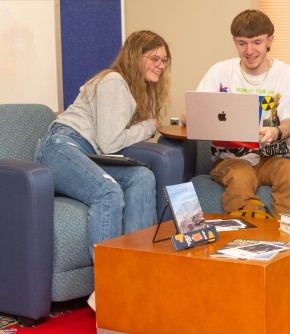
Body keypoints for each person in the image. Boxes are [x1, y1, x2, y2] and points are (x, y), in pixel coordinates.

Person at [34, 30, 172, 310]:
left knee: (143, 177)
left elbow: (106, 143)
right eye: (154, 58)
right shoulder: (114, 81)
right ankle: (110, 285)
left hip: (88, 153)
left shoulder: (133, 89)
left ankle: (139, 276)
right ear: (136, 56)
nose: (160, 64)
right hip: (61, 146)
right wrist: (150, 126)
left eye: (165, 60)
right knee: (108, 192)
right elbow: (110, 143)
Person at [181, 9, 290, 216]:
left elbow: (289, 124)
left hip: (272, 158)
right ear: (235, 42)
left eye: (256, 42)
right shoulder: (219, 71)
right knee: (240, 177)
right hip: (231, 159)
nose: (249, 50)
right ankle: (250, 234)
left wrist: (275, 133)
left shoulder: (287, 73)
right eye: (242, 43)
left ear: (269, 40)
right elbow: (190, 113)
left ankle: (288, 235)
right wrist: (191, 116)